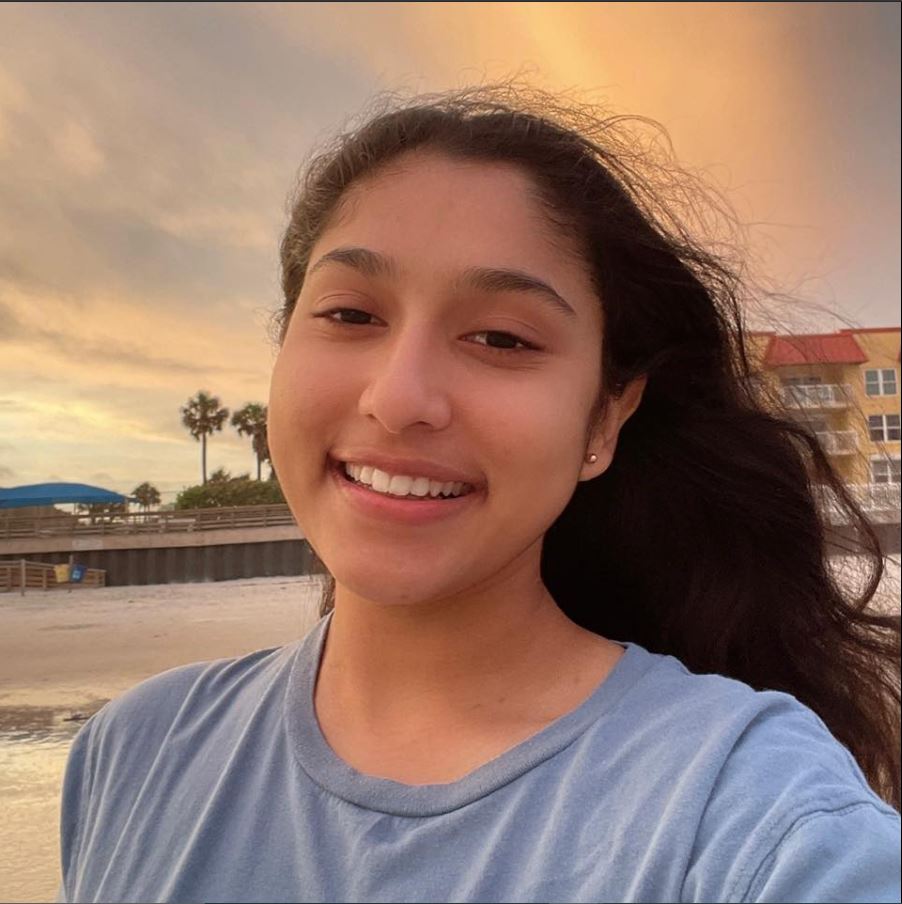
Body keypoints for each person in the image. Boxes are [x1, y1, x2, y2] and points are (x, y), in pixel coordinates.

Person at [58, 85, 900, 903]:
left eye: (500, 336)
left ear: (605, 418)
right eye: (351, 316)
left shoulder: (750, 808)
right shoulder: (131, 755)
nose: (399, 398)